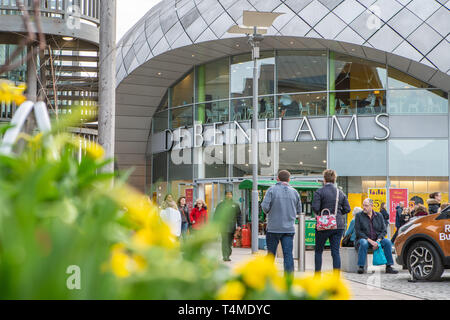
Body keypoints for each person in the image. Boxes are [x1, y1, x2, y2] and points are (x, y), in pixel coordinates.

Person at [261, 170, 302, 274]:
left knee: (271, 254)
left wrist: (269, 212)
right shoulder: (295, 192)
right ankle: (289, 280)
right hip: (289, 229)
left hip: (273, 228)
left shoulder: (271, 190)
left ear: (277, 179)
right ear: (289, 179)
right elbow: (299, 211)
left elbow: (265, 207)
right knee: (288, 254)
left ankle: (267, 277)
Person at [312, 169, 351, 274]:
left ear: (324, 179)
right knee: (335, 252)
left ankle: (317, 275)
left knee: (319, 251)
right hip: (337, 224)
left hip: (323, 225)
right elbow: (347, 209)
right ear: (334, 179)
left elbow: (315, 208)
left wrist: (323, 213)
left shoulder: (319, 192)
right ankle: (336, 276)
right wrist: (337, 214)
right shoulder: (340, 192)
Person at [355, 198, 398, 274]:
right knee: (363, 243)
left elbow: (384, 230)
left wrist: (378, 241)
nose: (364, 207)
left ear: (371, 206)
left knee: (387, 242)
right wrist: (371, 241)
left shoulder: (379, 215)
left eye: (366, 205)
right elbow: (358, 232)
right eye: (363, 205)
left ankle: (389, 266)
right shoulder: (359, 216)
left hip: (377, 240)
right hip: (365, 239)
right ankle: (361, 267)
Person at [214, 191, 242, 262]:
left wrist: (239, 225)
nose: (229, 195)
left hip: (232, 226)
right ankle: (225, 256)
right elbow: (216, 216)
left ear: (232, 195)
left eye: (230, 194)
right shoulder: (221, 205)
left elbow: (239, 216)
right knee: (224, 241)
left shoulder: (235, 205)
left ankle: (228, 252)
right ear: (225, 195)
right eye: (227, 194)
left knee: (230, 241)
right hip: (223, 226)